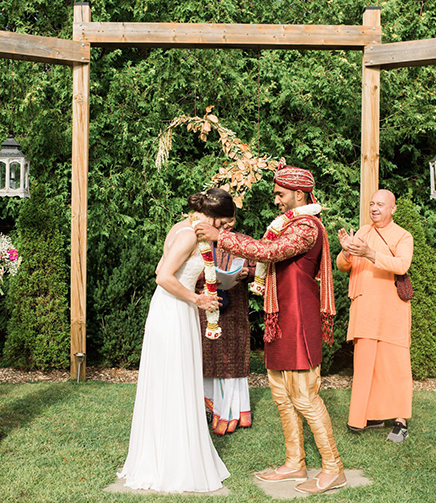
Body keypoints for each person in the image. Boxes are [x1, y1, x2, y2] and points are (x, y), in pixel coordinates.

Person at [195, 162, 344, 495]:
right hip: (281, 318)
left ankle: (334, 468)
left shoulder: (307, 227)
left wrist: (221, 236)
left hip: (299, 321)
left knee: (305, 398)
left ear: (298, 193)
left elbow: (271, 252)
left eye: (280, 194)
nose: (276, 200)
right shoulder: (288, 224)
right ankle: (295, 463)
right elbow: (266, 254)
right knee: (282, 396)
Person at [118, 188, 233, 493]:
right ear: (217, 219)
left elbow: (163, 269)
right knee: (173, 380)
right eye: (225, 224)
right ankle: (171, 462)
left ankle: (174, 452)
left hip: (174, 309)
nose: (224, 231)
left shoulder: (183, 226)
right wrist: (197, 298)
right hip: (173, 311)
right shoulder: (189, 235)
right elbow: (162, 276)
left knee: (175, 380)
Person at [336, 189, 414, 443]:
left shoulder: (403, 235)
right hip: (365, 308)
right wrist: (347, 251)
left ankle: (400, 421)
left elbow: (402, 265)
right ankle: (368, 415)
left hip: (391, 309)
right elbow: (343, 266)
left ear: (393, 209)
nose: (374, 208)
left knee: (395, 365)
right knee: (366, 364)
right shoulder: (363, 232)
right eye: (371, 204)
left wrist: (370, 253)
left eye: (380, 204)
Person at [197, 225, 257, 435]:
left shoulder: (242, 240)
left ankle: (230, 411)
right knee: (205, 356)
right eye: (221, 221)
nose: (226, 225)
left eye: (230, 219)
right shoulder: (199, 241)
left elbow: (261, 268)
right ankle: (205, 408)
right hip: (204, 306)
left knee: (232, 355)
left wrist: (247, 272)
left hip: (235, 308)